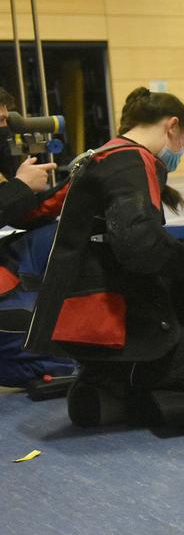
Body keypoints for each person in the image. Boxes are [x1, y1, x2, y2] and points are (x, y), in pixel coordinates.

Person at [24, 87, 184, 429]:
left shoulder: (103, 155)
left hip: (93, 322)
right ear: (172, 126)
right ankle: (129, 399)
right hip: (126, 326)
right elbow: (139, 246)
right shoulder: (129, 162)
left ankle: (109, 388)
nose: (180, 153)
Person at [0, 87, 76, 387]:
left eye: (7, 120)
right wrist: (21, 186)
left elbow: (18, 213)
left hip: (8, 264)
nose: (6, 127)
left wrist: (73, 188)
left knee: (67, 233)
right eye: (2, 120)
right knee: (46, 332)